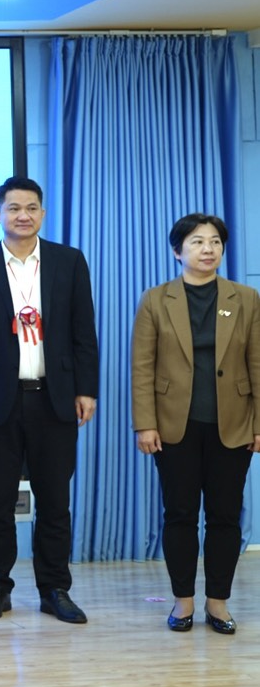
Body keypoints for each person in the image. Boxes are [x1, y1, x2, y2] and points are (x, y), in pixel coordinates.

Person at [0, 178, 99, 625]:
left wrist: (86, 389)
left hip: (54, 399)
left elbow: (83, 331)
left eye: (32, 208)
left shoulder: (68, 261)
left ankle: (55, 588)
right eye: (14, 208)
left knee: (54, 500)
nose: (23, 215)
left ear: (42, 213)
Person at [131, 213, 260, 636]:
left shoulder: (246, 298)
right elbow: (142, 366)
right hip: (174, 426)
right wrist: (145, 424)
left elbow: (257, 363)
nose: (208, 249)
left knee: (225, 516)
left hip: (233, 424)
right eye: (198, 242)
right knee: (180, 514)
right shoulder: (156, 299)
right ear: (177, 251)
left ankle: (217, 602)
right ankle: (182, 600)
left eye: (215, 242)